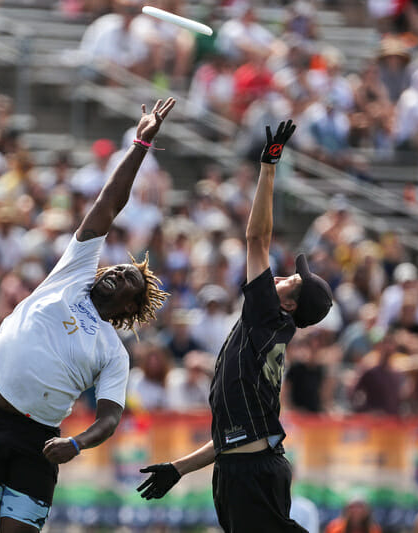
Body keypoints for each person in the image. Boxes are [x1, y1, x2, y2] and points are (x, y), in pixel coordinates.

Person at [0, 98, 175, 533]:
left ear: (130, 307)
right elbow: (109, 204)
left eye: (128, 279)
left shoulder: (112, 351)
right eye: (117, 267)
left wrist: (77, 442)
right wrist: (140, 144)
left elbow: (110, 418)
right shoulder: (72, 274)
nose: (115, 273)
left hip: (40, 442)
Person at [136, 120, 333, 533]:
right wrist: (179, 467)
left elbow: (257, 237)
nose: (279, 277)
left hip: (251, 472)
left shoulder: (267, 316)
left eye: (290, 281)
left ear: (291, 303)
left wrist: (269, 166)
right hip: (244, 467)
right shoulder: (268, 329)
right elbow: (234, 439)